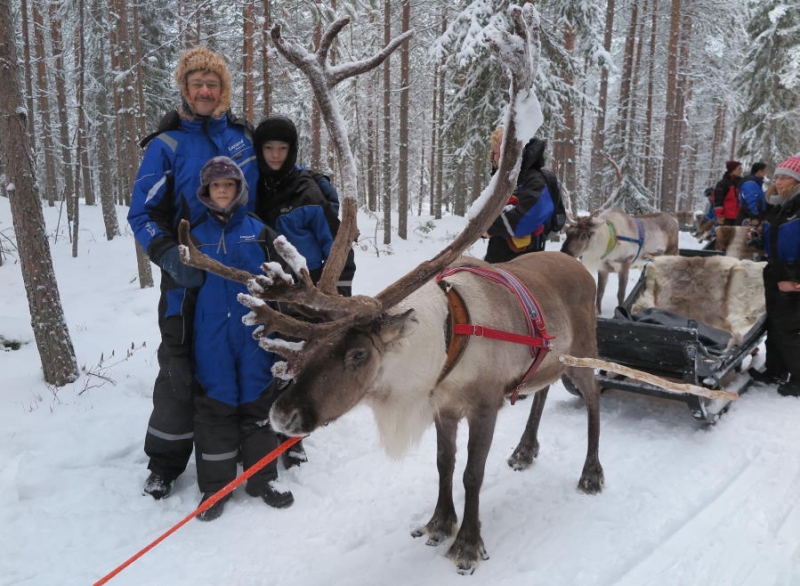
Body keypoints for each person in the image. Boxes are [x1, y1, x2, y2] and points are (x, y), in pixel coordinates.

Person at [127, 47, 259, 500]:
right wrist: (168, 255)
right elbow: (141, 212)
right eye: (196, 83)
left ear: (224, 90)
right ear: (184, 88)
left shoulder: (243, 138)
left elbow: (266, 195)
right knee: (180, 364)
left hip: (240, 271)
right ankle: (165, 461)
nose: (204, 91)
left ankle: (242, 443)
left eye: (213, 83)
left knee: (246, 355)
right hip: (188, 275)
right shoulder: (168, 145)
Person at [188, 156, 293, 520]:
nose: (222, 191)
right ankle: (215, 488)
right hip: (210, 337)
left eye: (229, 185)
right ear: (206, 191)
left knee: (257, 404)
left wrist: (282, 327)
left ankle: (262, 477)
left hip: (253, 334)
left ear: (239, 189)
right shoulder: (193, 235)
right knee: (216, 407)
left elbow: (281, 286)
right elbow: (178, 292)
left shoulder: (259, 231)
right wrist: (177, 336)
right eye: (216, 186)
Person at [253, 114, 357, 466]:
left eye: (283, 148)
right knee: (266, 361)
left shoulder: (308, 191)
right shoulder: (250, 187)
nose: (276, 155)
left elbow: (338, 246)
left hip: (306, 293)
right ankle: (260, 431)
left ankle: (291, 437)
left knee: (297, 362)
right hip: (266, 291)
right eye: (269, 148)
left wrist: (337, 293)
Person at [749, 154, 800, 397]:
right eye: (777, 177)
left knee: (791, 329)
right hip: (775, 270)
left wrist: (796, 281)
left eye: (785, 178)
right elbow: (780, 238)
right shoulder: (780, 205)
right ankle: (775, 370)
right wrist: (759, 240)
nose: (778, 182)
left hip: (793, 275)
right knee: (775, 324)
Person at [483, 132, 565, 263]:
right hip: (499, 258)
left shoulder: (535, 180)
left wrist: (490, 227)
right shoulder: (506, 181)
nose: (494, 157)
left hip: (526, 262)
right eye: (494, 153)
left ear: (511, 153)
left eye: (499, 153)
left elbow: (528, 218)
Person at [737, 161, 769, 225]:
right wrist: (754, 216)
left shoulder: (757, 183)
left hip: (755, 215)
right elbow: (750, 201)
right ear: (760, 171)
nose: (766, 173)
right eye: (765, 171)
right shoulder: (750, 184)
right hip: (749, 217)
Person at [713, 160, 743, 226]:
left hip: (740, 216)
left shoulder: (742, 182)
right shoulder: (722, 184)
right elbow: (718, 200)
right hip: (726, 217)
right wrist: (719, 215)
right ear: (732, 170)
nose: (741, 171)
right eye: (739, 169)